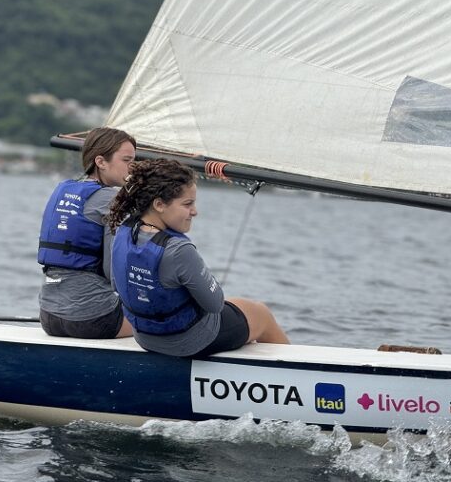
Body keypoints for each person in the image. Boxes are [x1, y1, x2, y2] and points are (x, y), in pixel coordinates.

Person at [107, 158, 289, 357]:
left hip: (145, 337)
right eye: (187, 204)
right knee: (261, 313)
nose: (195, 211)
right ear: (159, 204)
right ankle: (295, 372)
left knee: (238, 306)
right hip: (191, 340)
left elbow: (117, 285)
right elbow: (215, 303)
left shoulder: (123, 232)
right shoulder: (179, 249)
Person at [37, 127, 136, 339]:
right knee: (168, 317)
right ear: (101, 162)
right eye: (127, 160)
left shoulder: (62, 190)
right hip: (94, 319)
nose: (133, 168)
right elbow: (115, 274)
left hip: (49, 317)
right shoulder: (111, 200)